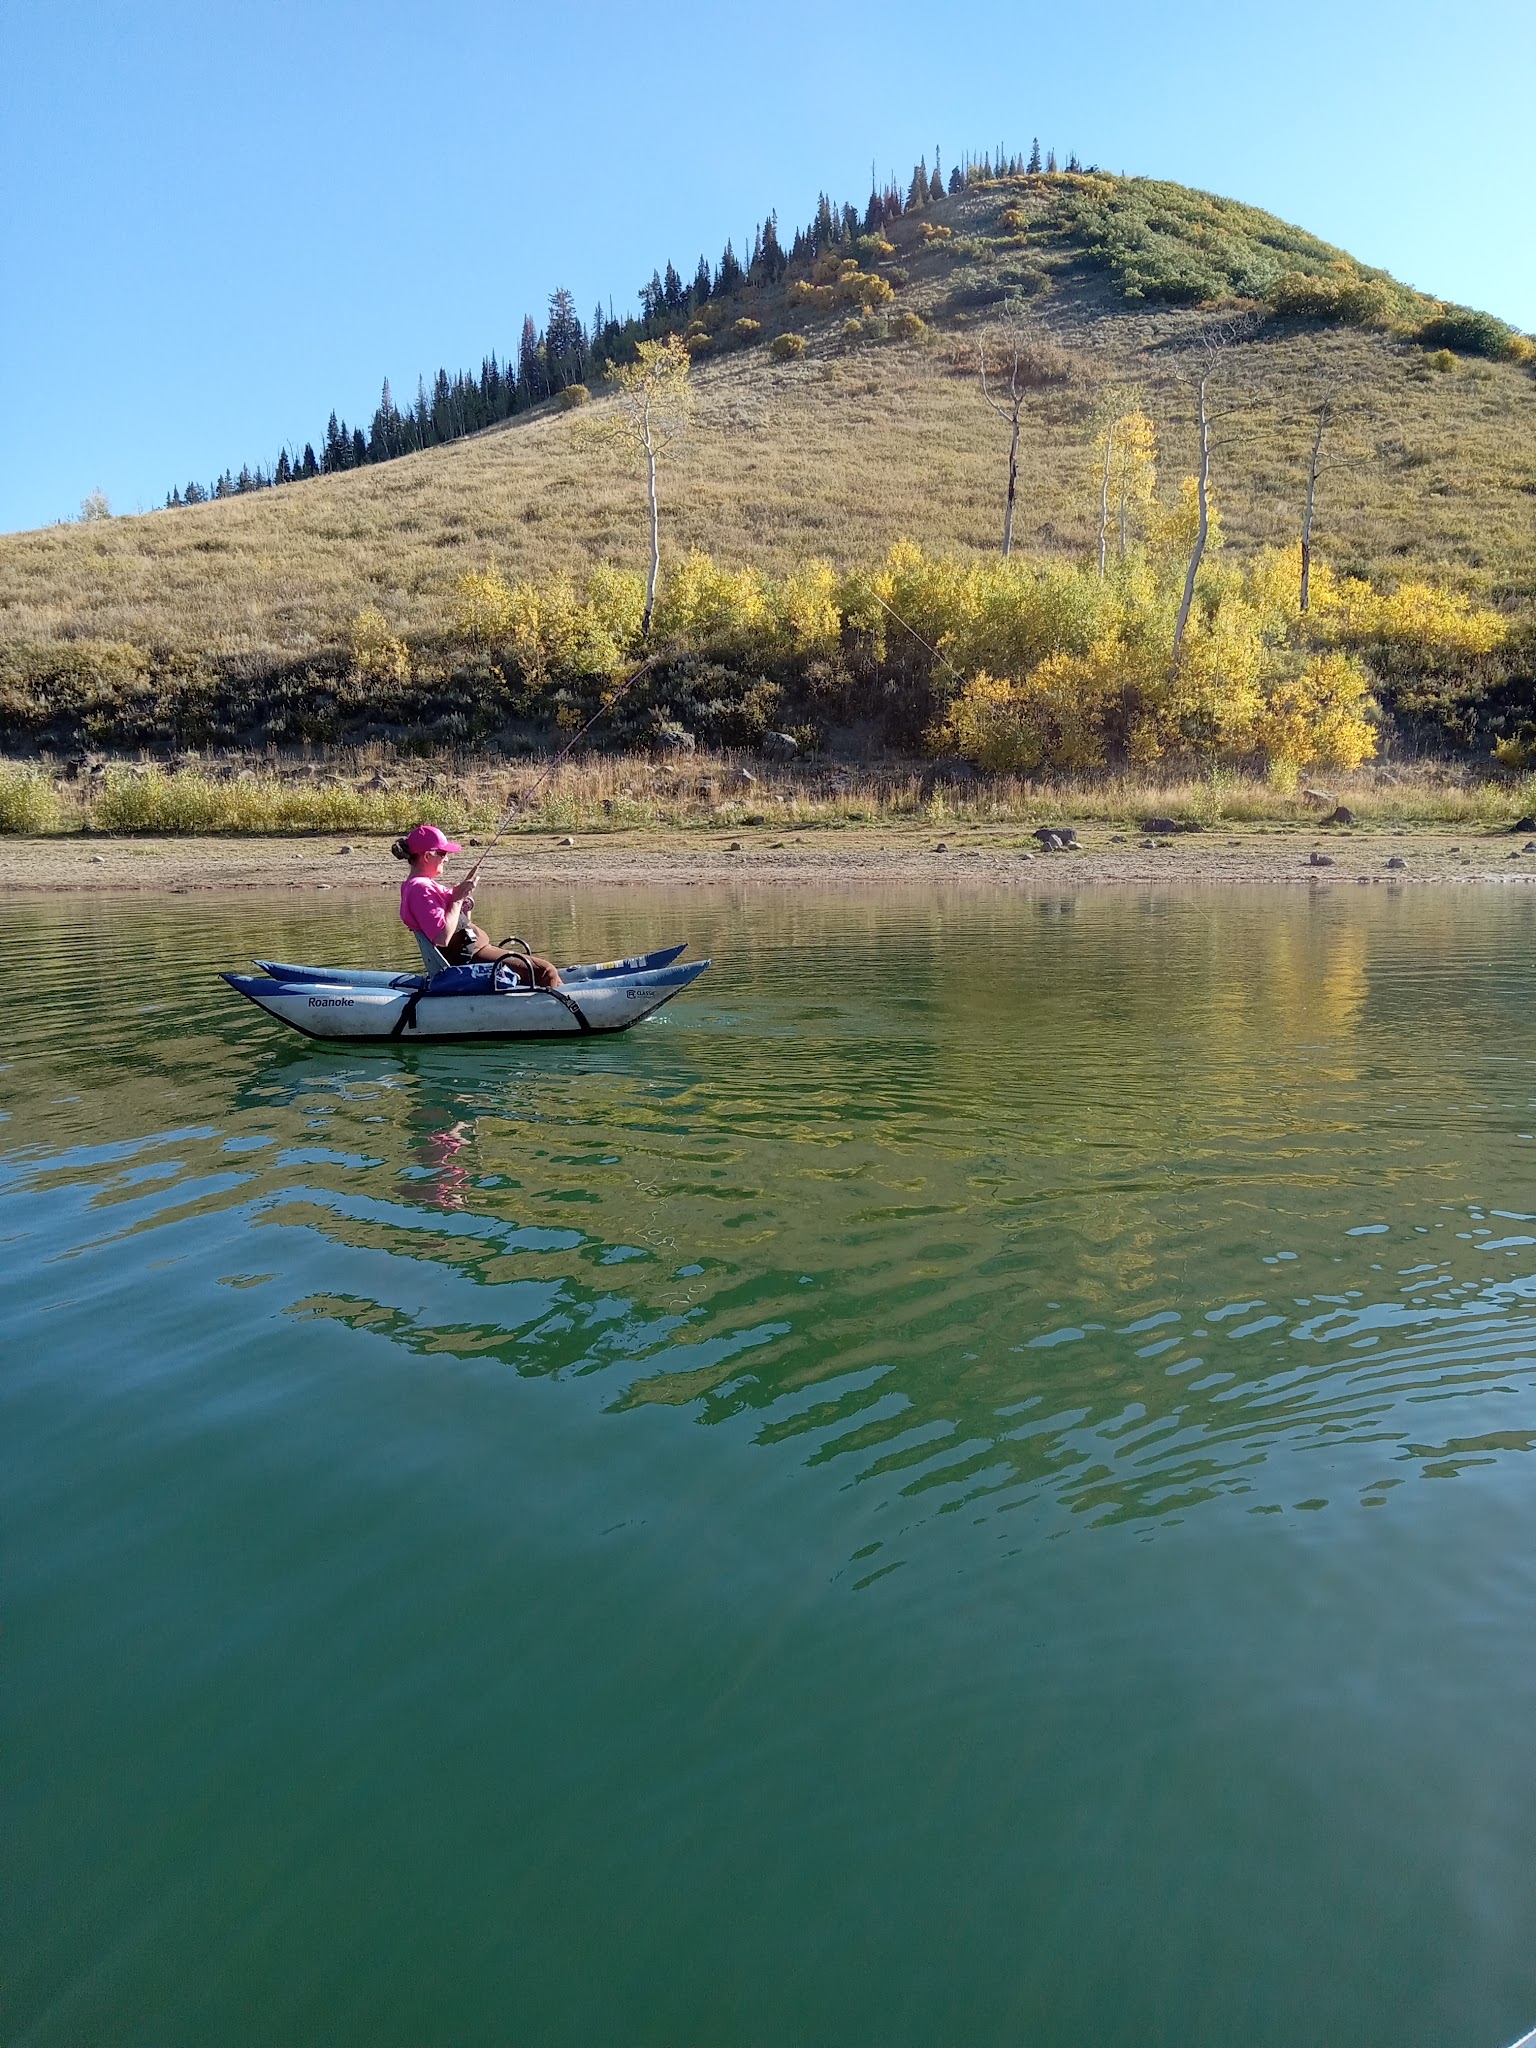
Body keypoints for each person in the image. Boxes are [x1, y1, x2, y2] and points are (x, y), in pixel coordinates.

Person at [391, 823, 561, 987]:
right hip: (472, 957)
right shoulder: (420, 888)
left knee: (542, 969)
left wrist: (463, 906)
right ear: (427, 856)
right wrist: (457, 899)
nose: (447, 859)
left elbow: (456, 924)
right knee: (546, 972)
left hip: (475, 951)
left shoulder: (420, 886)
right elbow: (442, 938)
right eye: (442, 854)